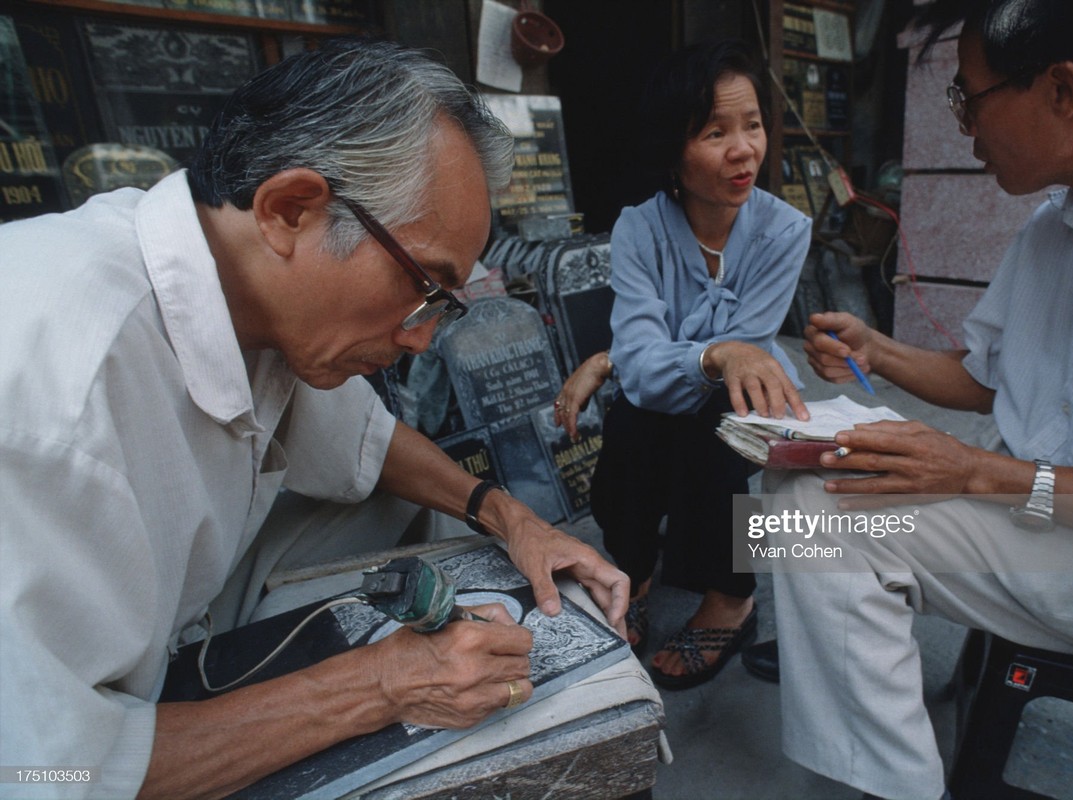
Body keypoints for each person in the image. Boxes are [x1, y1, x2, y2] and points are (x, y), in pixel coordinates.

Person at [0, 39, 629, 799]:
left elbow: (365, 439)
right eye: (424, 285)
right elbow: (44, 771)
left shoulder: (238, 278)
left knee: (416, 507)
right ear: (290, 209)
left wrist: (508, 515)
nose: (423, 338)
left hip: (174, 629)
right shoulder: (53, 400)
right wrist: (379, 685)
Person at [748, 1, 1073, 797]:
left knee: (809, 525)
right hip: (1049, 514)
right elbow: (993, 378)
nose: (964, 125)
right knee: (791, 493)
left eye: (968, 97)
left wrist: (975, 473)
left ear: (1063, 89)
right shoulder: (1059, 224)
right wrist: (880, 352)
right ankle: (851, 684)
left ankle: (878, 776)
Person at [552, 39, 812, 691]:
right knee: (636, 427)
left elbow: (741, 351)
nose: (744, 148)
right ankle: (635, 572)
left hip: (744, 400)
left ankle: (731, 598)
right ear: (673, 146)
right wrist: (657, 358)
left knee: (719, 426)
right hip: (670, 392)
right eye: (714, 131)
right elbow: (656, 363)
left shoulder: (785, 230)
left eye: (752, 124)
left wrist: (626, 358)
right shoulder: (639, 228)